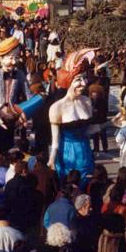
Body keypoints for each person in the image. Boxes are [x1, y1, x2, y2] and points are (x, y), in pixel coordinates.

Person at [48, 49, 96, 187]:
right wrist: (51, 159)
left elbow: (87, 130)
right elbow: (55, 141)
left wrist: (109, 123)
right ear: (68, 81)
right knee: (69, 188)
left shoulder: (87, 101)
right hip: (66, 155)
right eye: (78, 79)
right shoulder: (57, 108)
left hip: (85, 152)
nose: (84, 83)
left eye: (84, 78)